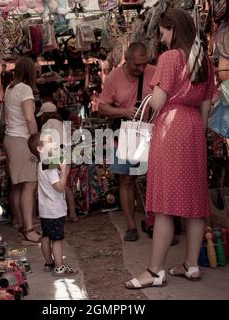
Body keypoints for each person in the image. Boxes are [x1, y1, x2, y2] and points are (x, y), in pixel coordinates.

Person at [125, 9, 216, 289]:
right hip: (193, 129)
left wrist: (153, 93)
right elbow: (206, 104)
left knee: (164, 204)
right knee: (194, 202)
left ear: (173, 29)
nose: (161, 36)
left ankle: (154, 271)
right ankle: (191, 264)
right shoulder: (204, 59)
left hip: (171, 127)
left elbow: (157, 102)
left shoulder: (169, 57)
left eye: (163, 31)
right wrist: (198, 133)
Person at [98, 42, 156, 241]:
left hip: (148, 132)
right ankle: (131, 225)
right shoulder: (114, 77)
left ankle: (155, 222)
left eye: (144, 64)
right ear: (128, 60)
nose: (141, 69)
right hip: (124, 134)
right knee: (127, 179)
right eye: (137, 65)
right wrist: (123, 111)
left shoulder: (153, 71)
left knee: (153, 179)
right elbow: (101, 108)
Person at [28, 132, 78, 276]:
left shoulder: (43, 163)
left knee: (46, 236)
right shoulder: (50, 167)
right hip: (55, 209)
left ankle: (48, 263)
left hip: (45, 210)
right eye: (50, 141)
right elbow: (60, 187)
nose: (55, 143)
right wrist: (63, 171)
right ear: (40, 149)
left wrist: (63, 165)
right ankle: (59, 266)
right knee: (57, 239)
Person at [3, 56, 40, 243]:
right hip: (22, 140)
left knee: (17, 185)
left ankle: (19, 223)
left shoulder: (10, 89)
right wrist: (36, 140)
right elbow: (29, 117)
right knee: (29, 184)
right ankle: (29, 228)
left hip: (10, 139)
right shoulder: (25, 89)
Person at [36, 89, 79, 223]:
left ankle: (52, 213)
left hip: (54, 155)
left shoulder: (47, 125)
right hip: (66, 155)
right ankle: (72, 214)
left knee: (51, 183)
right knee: (66, 185)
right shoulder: (62, 124)